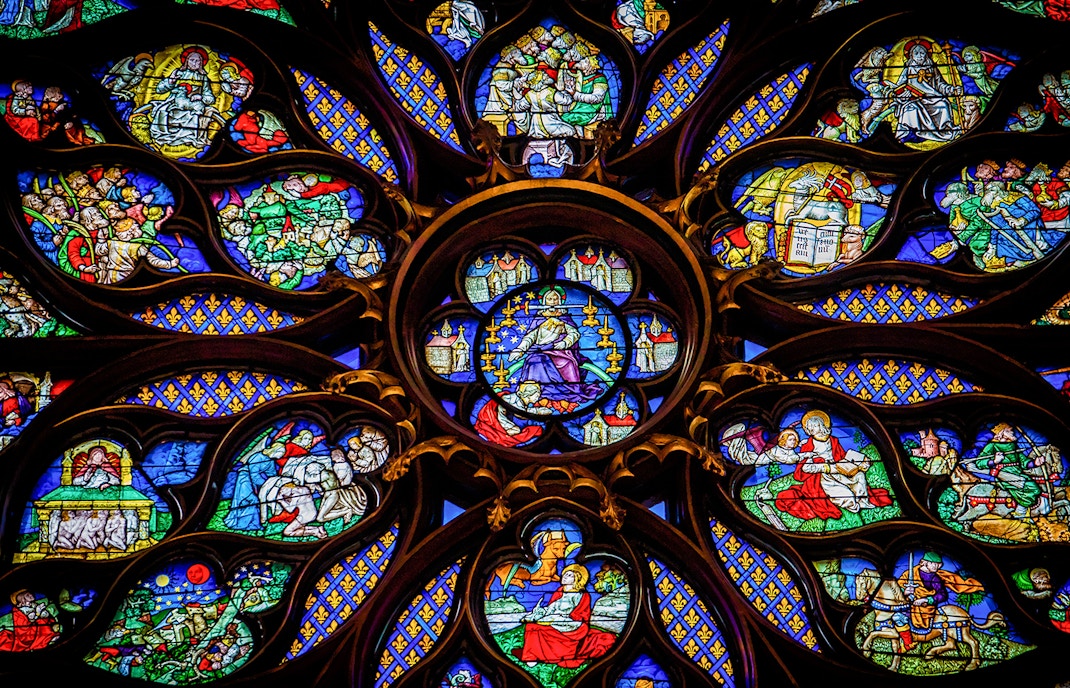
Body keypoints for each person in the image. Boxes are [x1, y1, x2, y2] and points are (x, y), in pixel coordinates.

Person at [775, 410, 893, 521]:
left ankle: (863, 502)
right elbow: (804, 468)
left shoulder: (834, 440)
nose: (811, 429)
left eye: (814, 426)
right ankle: (853, 506)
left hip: (840, 471)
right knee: (847, 495)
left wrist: (859, 462)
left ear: (821, 425)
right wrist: (825, 466)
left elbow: (842, 457)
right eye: (809, 427)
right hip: (823, 478)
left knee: (860, 476)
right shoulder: (808, 446)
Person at [507, 286, 602, 409]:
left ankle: (566, 393)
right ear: (544, 301)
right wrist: (519, 350)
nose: (553, 302)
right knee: (533, 361)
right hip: (540, 350)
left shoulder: (564, 318)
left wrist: (564, 343)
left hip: (560, 352)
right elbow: (530, 337)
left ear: (560, 301)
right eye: (550, 299)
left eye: (555, 299)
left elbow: (574, 333)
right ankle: (539, 393)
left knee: (567, 363)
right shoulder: (539, 319)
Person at [512, 564, 616, 668]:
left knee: (535, 627)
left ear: (577, 579)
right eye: (565, 574)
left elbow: (581, 616)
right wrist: (539, 612)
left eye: (570, 575)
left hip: (570, 628)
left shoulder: (582, 595)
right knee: (531, 626)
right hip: (554, 622)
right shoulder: (559, 592)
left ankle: (539, 655)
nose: (565, 576)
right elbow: (551, 608)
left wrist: (559, 619)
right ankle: (532, 656)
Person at [138, 46, 219, 148]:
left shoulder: (204, 78)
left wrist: (201, 97)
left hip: (193, 108)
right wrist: (171, 81)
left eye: (198, 61)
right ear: (186, 61)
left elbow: (210, 98)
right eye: (192, 60)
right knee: (163, 112)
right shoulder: (178, 73)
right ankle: (162, 136)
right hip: (173, 104)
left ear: (202, 63)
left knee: (193, 116)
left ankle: (189, 138)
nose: (194, 63)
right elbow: (159, 89)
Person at [890, 39, 962, 143]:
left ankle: (945, 129)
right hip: (913, 99)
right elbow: (899, 86)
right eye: (916, 53)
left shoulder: (932, 68)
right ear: (911, 55)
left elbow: (940, 84)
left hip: (932, 98)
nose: (919, 56)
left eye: (922, 53)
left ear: (926, 54)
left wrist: (952, 89)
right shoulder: (908, 69)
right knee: (910, 109)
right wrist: (902, 94)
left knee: (943, 105)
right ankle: (910, 133)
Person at [971, 423, 1045, 516]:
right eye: (1009, 430)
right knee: (1033, 488)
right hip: (1004, 475)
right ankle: (1020, 513)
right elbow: (979, 462)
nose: (1012, 432)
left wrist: (1035, 463)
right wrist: (994, 461)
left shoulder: (1012, 445)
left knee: (1035, 489)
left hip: (1017, 473)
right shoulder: (992, 445)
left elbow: (1023, 461)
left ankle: (1021, 512)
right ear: (1002, 432)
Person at [898, 552, 982, 633]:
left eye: (939, 564)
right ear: (925, 562)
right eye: (934, 563)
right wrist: (904, 592)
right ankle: (906, 644)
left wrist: (927, 600)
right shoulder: (909, 574)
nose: (937, 566)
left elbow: (942, 595)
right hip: (907, 604)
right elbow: (896, 590)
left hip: (926, 609)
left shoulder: (935, 578)